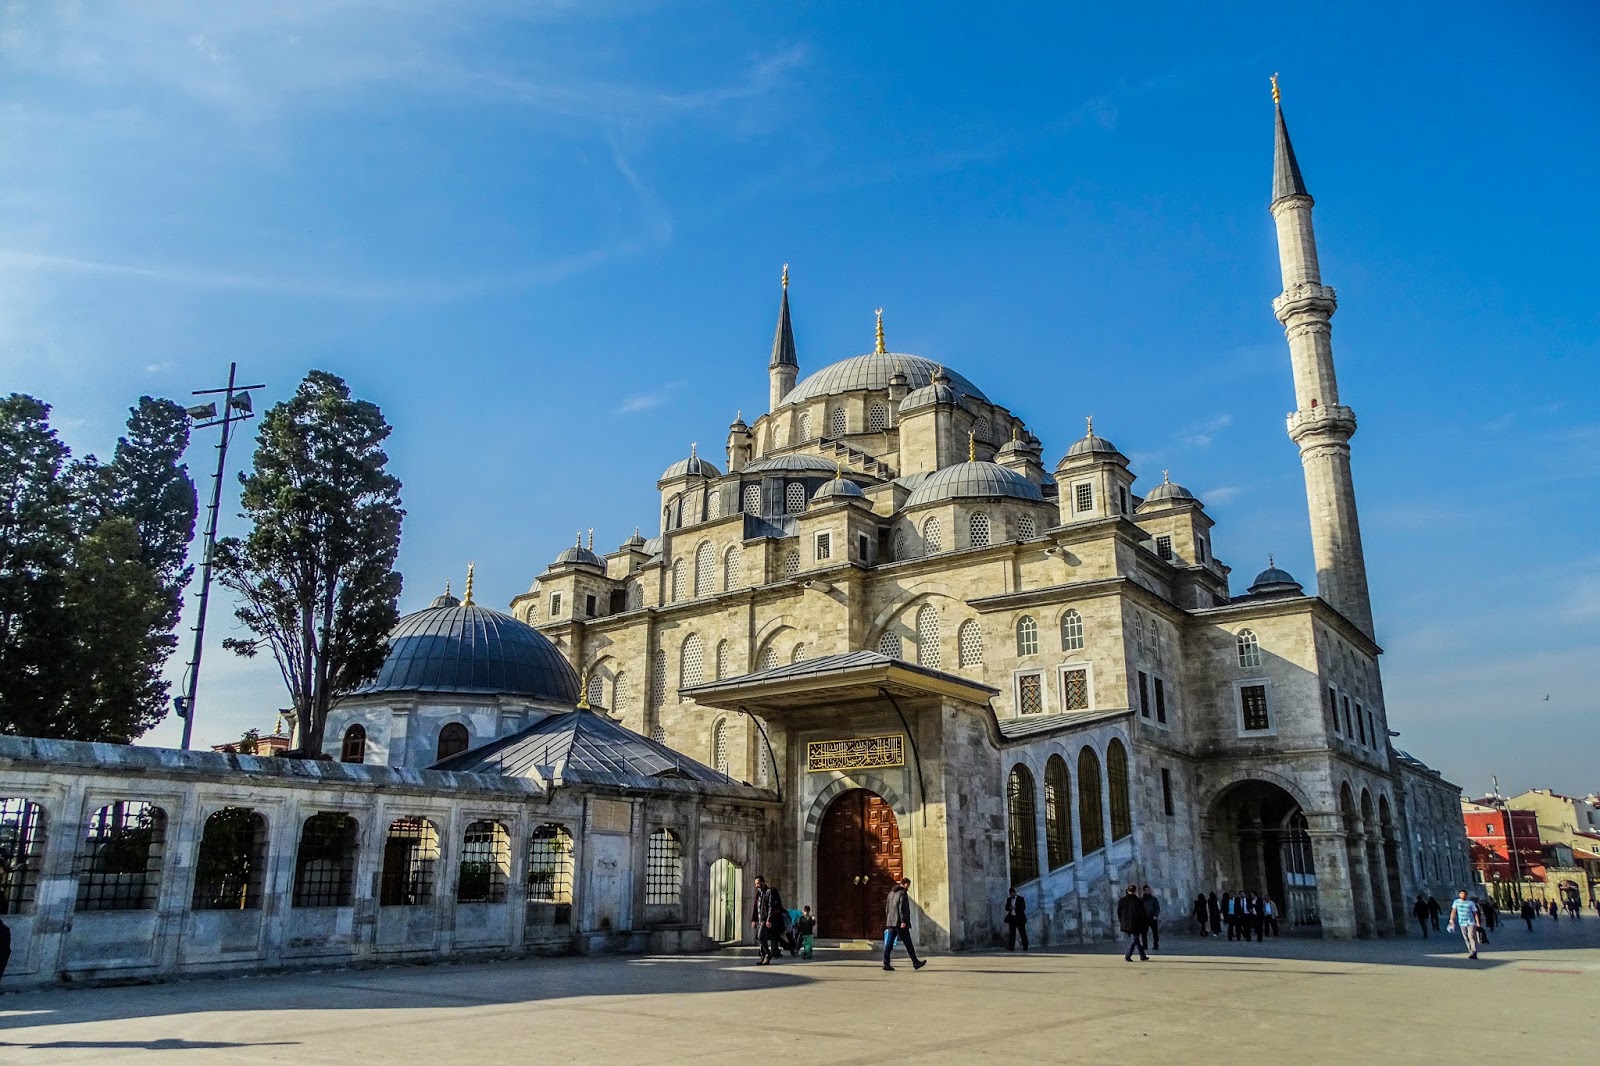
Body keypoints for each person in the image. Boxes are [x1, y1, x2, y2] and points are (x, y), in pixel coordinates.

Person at [883, 877, 925, 972]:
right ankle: (915, 962)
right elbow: (902, 908)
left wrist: (889, 919)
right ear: (905, 884)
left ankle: (886, 962)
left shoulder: (891, 893)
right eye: (908, 885)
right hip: (900, 923)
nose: (908, 888)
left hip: (891, 922)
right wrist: (903, 921)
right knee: (908, 943)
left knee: (889, 943)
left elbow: (887, 908)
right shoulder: (902, 893)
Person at [750, 875, 786, 965]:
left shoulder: (769, 892)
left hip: (765, 919)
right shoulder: (759, 893)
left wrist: (769, 920)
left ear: (763, 882)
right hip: (759, 919)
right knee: (762, 938)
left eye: (758, 883)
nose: (757, 885)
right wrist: (753, 919)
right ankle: (763, 956)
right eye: (755, 884)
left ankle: (768, 954)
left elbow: (771, 906)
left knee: (760, 936)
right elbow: (755, 907)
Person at [1447, 890, 1482, 959]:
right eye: (1461, 894)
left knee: (1471, 936)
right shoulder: (1456, 902)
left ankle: (1474, 950)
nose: (1462, 895)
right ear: (1459, 895)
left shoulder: (1470, 903)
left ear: (1466, 895)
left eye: (1463, 894)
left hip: (1470, 922)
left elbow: (1475, 913)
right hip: (1462, 922)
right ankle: (1471, 952)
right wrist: (1451, 920)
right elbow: (1453, 911)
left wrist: (1478, 922)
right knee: (1466, 938)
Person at [1118, 884, 1149, 962]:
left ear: (1128, 890)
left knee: (1136, 940)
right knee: (1134, 940)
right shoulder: (1138, 901)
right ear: (1135, 891)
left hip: (1126, 923)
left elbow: (1118, 912)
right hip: (1136, 924)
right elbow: (1143, 914)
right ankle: (1128, 955)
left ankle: (1142, 955)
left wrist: (1122, 921)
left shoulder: (1122, 900)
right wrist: (1144, 924)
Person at [1004, 887, 1030, 951]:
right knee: (1012, 933)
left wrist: (1016, 907)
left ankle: (1025, 946)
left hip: (1020, 918)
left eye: (1012, 893)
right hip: (1012, 918)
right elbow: (1006, 908)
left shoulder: (1020, 899)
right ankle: (1011, 947)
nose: (1011, 895)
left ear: (1015, 893)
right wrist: (1010, 908)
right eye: (1010, 894)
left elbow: (1023, 907)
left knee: (1022, 932)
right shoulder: (1009, 899)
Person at [1141, 885, 1161, 952]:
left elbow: (1157, 908)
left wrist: (1155, 915)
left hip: (1153, 918)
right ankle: (1145, 946)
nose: (1148, 891)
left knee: (1155, 933)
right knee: (1144, 933)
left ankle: (1156, 945)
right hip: (1144, 919)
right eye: (1147, 890)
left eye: (1149, 890)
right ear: (1144, 891)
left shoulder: (1154, 899)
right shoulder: (1141, 899)